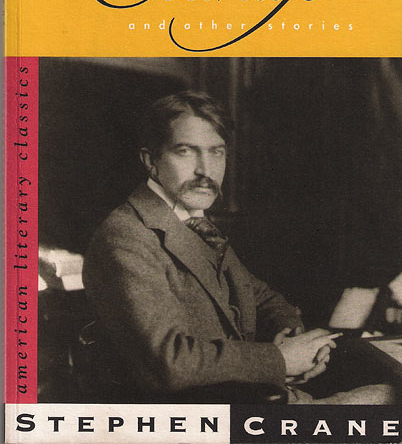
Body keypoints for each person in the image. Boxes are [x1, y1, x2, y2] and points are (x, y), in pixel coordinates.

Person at [83, 90, 395, 404]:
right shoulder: (125, 236)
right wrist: (281, 360)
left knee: (388, 394)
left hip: (251, 397)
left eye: (216, 152)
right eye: (186, 152)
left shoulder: (193, 220)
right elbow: (169, 361)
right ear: (151, 161)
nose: (205, 171)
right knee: (389, 399)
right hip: (200, 417)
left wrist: (293, 335)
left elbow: (262, 298)